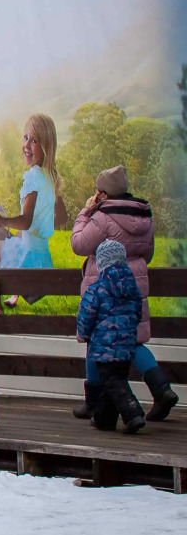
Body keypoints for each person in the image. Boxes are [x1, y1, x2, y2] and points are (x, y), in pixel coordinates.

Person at [70, 164, 176, 421]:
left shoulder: (102, 216)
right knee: (134, 339)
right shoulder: (144, 215)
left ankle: (93, 402)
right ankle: (162, 389)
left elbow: (78, 244)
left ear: (103, 194)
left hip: (104, 284)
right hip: (134, 284)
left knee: (96, 338)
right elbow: (147, 254)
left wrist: (86, 211)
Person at [0, 113, 65, 308]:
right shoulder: (51, 178)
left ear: (46, 147)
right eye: (25, 138)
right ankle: (14, 296)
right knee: (15, 238)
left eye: (34, 141)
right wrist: (40, 226)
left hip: (27, 258)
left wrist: (2, 221)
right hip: (42, 257)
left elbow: (25, 221)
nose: (27, 145)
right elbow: (62, 217)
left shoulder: (32, 178)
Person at [76, 240, 148, 434]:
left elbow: (86, 315)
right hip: (126, 347)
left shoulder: (97, 289)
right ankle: (104, 420)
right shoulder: (133, 288)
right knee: (113, 383)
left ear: (101, 263)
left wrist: (83, 333)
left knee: (112, 382)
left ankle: (133, 413)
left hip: (104, 347)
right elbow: (137, 314)